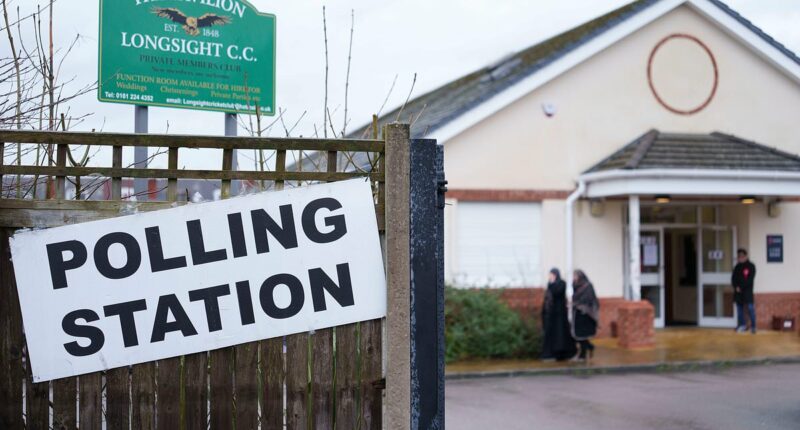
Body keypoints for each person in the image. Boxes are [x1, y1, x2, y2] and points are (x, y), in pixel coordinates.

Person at [541, 268, 577, 361]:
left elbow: (557, 292)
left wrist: (551, 284)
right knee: (552, 334)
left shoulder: (561, 283)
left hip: (560, 314)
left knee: (561, 334)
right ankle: (552, 353)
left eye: (551, 275)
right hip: (552, 314)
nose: (550, 277)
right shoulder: (550, 284)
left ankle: (564, 353)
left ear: (556, 275)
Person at [572, 270, 599, 361]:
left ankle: (583, 354)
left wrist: (577, 304)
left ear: (580, 276)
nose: (574, 278)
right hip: (577, 312)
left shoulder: (588, 286)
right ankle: (589, 347)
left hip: (585, 313)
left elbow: (589, 299)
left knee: (582, 334)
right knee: (577, 334)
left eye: (575, 276)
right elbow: (575, 298)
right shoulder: (575, 286)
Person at [732, 248, 757, 334]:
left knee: (750, 309)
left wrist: (741, 287)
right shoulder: (737, 267)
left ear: (746, 256)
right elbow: (733, 279)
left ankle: (753, 326)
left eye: (742, 256)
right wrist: (736, 286)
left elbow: (750, 280)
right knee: (739, 310)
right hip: (738, 293)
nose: (740, 258)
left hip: (747, 292)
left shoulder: (751, 266)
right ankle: (742, 325)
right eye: (739, 257)